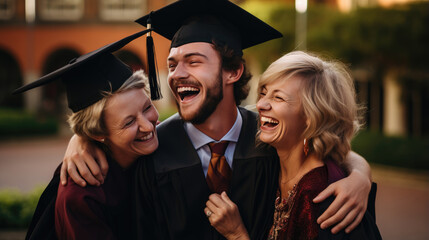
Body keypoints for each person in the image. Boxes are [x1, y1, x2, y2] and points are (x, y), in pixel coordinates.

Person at [61, 0, 373, 239]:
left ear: (232, 71)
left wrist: (360, 173)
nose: (177, 74)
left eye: (193, 61)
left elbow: (319, 147)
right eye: (172, 65)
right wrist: (83, 137)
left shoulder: (271, 140)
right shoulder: (153, 152)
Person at [204, 51, 382, 240]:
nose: (261, 104)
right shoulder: (270, 161)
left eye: (278, 98)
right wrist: (361, 174)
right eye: (263, 93)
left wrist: (237, 235)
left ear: (313, 116)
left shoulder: (327, 205)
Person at [15, 30, 161, 240]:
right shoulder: (82, 196)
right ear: (97, 133)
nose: (148, 126)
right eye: (129, 122)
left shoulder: (162, 145)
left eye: (147, 107)